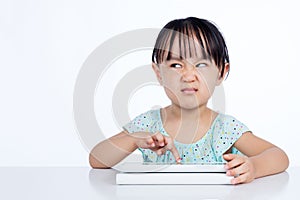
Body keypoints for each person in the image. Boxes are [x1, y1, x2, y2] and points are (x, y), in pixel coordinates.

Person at [89, 17, 289, 184]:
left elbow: (279, 156)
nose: (188, 75)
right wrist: (133, 139)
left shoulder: (224, 129)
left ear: (221, 72)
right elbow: (96, 159)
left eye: (201, 64)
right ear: (158, 73)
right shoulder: (149, 125)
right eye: (176, 65)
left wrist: (253, 167)